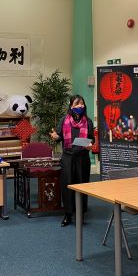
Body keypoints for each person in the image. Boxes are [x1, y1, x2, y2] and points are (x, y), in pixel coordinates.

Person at [50, 94, 94, 227]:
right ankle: (68, 214)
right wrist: (55, 136)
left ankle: (80, 214)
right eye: (77, 104)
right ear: (71, 106)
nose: (80, 106)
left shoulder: (88, 121)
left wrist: (90, 144)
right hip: (68, 157)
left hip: (82, 158)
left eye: (82, 103)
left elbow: (92, 139)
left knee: (82, 186)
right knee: (67, 186)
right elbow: (58, 136)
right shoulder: (64, 120)